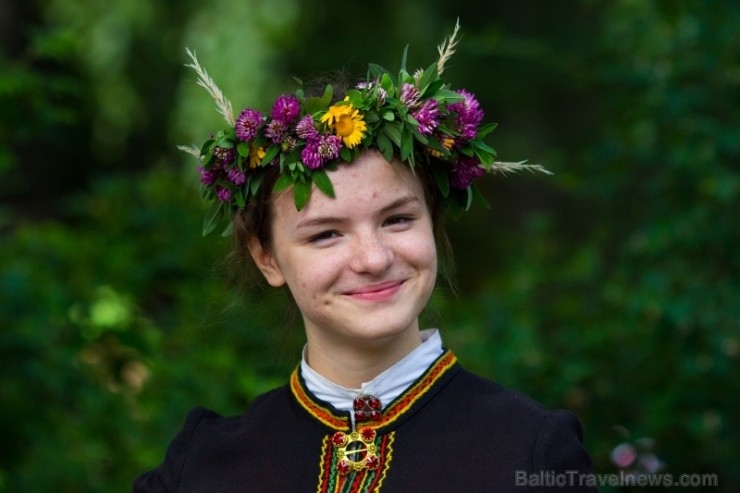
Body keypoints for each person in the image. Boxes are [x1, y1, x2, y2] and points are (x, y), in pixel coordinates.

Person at [134, 23, 597, 492]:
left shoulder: (531, 449)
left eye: (397, 220)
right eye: (326, 234)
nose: (373, 259)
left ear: (432, 224)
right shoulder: (203, 465)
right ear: (267, 259)